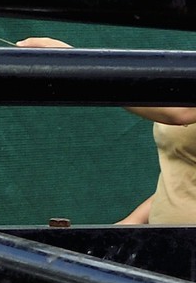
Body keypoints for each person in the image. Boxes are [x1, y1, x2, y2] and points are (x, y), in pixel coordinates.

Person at [16, 35, 196, 222]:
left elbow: (177, 113)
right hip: (167, 241)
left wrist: (77, 63)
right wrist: (130, 223)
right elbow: (183, 177)